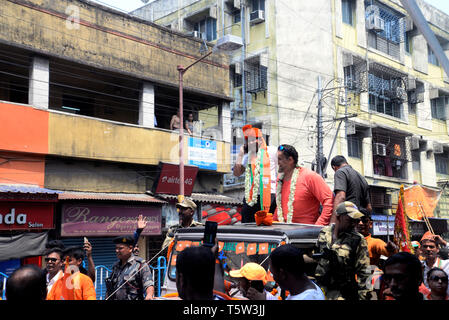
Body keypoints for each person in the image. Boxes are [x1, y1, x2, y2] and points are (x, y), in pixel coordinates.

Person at [314, 201, 372, 300]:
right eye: (350, 219)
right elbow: (316, 257)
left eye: (356, 220)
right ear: (339, 217)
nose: (354, 223)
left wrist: (363, 297)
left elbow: (365, 272)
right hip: (321, 290)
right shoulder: (324, 233)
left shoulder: (357, 239)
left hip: (343, 293)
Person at [273, 144, 333, 225]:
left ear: (290, 160)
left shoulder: (310, 176)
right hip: (284, 231)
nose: (276, 162)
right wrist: (273, 224)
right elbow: (280, 206)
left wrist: (318, 227)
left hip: (306, 234)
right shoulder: (280, 180)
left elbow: (329, 200)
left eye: (279, 159)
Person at [233, 124, 277, 222]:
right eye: (249, 140)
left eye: (254, 139)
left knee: (267, 224)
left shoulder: (272, 151)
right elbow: (236, 173)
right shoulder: (247, 156)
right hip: (251, 196)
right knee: (247, 225)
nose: (251, 142)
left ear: (261, 139)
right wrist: (240, 155)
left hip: (269, 194)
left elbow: (284, 166)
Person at [105, 235, 154, 300]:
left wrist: (149, 295)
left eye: (120, 248)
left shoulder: (140, 265)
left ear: (130, 249)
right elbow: (110, 288)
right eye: (116, 248)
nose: (117, 251)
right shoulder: (116, 266)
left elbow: (148, 283)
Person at [331, 155, 372, 224]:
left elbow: (341, 196)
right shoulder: (362, 178)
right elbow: (369, 207)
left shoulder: (340, 172)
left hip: (347, 221)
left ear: (334, 167)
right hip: (358, 222)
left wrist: (333, 222)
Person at [420, 231, 449, 295]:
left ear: (437, 249)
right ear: (421, 249)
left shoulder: (447, 265)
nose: (428, 249)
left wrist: (443, 242)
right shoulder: (419, 266)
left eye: (431, 247)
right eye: (425, 246)